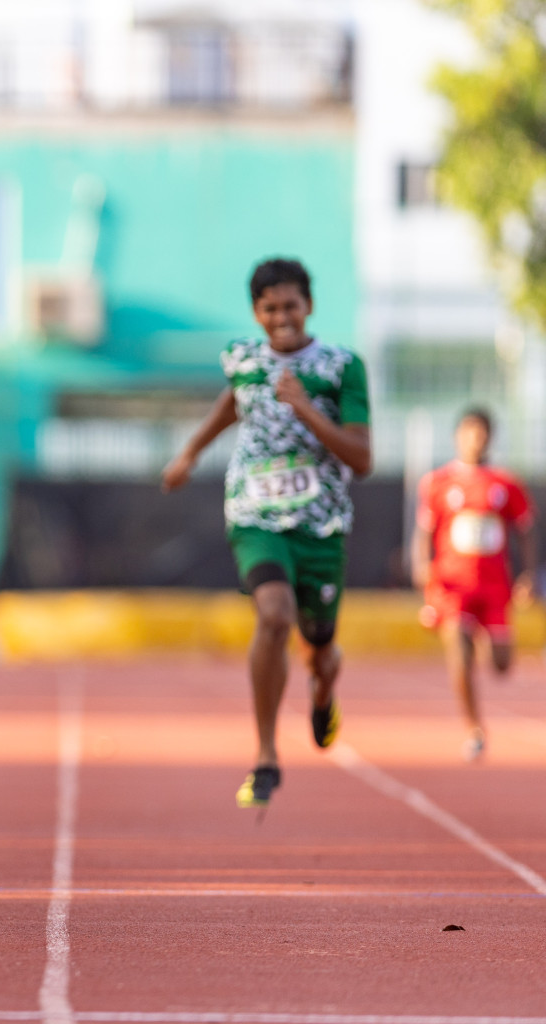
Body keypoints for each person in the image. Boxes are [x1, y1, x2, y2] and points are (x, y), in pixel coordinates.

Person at [162, 257, 371, 810]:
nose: (282, 317)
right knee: (274, 615)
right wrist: (189, 452)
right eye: (270, 308)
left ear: (310, 307)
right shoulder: (242, 358)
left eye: (291, 306)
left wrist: (305, 410)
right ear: (257, 312)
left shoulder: (340, 366)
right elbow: (234, 400)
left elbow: (363, 457)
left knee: (320, 649)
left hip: (321, 522)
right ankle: (265, 754)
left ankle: (323, 690)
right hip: (254, 511)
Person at [412, 408, 536, 761]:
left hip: (495, 585)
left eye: (482, 433)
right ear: (458, 436)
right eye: (469, 432)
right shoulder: (438, 482)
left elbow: (525, 530)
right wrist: (421, 566)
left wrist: (527, 574)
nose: (475, 440)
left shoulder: (506, 482)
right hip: (453, 585)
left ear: (490, 438)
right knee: (459, 652)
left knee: (501, 664)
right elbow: (424, 531)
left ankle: (485, 637)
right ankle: (474, 728)